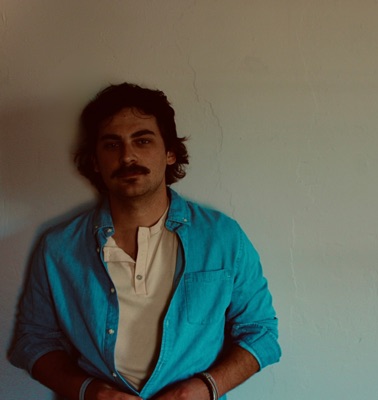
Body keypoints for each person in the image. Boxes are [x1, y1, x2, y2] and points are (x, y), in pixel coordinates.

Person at [9, 83, 281, 400]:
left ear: (170, 152)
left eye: (142, 140)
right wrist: (91, 392)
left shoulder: (222, 237)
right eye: (112, 144)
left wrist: (204, 388)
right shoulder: (59, 248)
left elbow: (261, 332)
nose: (127, 156)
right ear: (95, 160)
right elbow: (33, 341)